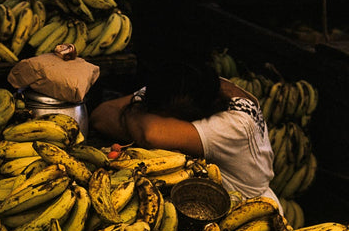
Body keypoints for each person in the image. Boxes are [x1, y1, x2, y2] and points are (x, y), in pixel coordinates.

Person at [89, 61, 280, 206]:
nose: (164, 121)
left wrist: (133, 111)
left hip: (249, 209)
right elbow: (100, 116)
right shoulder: (178, 88)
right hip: (198, 201)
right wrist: (141, 113)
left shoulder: (234, 125)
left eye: (169, 118)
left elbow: (150, 133)